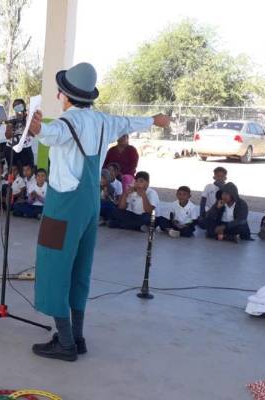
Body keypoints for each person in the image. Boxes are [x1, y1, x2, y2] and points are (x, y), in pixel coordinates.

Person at [27, 62, 168, 361]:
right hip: (90, 205)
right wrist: (154, 120)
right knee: (80, 269)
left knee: (53, 268)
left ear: (66, 95)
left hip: (63, 208)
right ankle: (77, 337)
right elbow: (129, 122)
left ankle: (65, 344)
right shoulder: (104, 121)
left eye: (60, 91)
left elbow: (50, 134)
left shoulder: (67, 122)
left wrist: (37, 128)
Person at [4, 98, 35, 168]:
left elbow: (33, 134)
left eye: (19, 105)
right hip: (11, 149)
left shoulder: (29, 119)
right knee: (12, 170)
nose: (17, 107)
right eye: (15, 106)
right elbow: (7, 136)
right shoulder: (11, 119)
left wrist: (25, 123)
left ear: (24, 107)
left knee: (28, 170)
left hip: (25, 148)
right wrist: (13, 125)